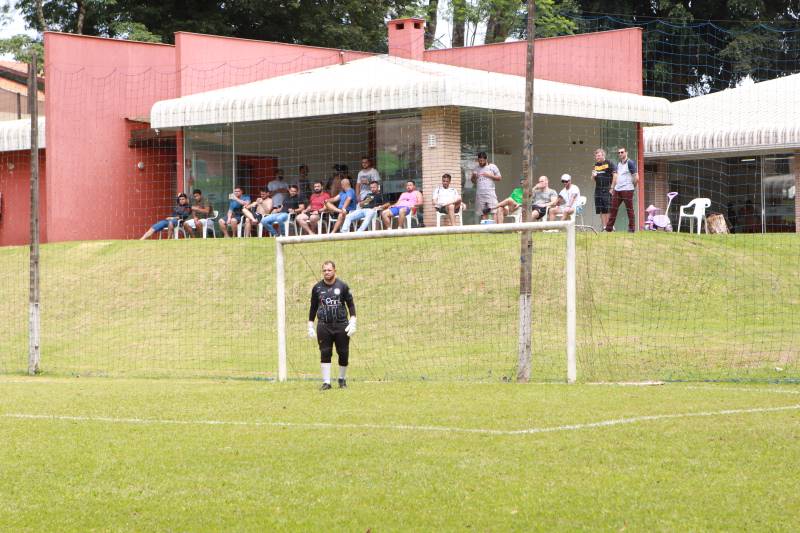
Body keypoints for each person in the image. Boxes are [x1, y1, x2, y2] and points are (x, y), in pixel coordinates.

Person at [308, 260, 356, 390]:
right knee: (325, 352)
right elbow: (313, 307)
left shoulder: (343, 286)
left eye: (329, 270)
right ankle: (326, 382)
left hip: (341, 325)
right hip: (324, 326)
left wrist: (353, 321)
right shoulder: (317, 288)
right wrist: (310, 325)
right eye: (324, 270)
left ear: (335, 270)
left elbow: (351, 305)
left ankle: (342, 379)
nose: (327, 272)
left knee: (343, 353)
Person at [605, 147, 639, 232]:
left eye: (622, 152)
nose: (620, 154)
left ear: (626, 153)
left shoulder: (630, 163)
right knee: (613, 208)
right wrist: (613, 188)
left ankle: (631, 229)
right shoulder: (619, 164)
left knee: (629, 209)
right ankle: (608, 228)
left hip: (627, 190)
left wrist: (632, 187)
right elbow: (617, 176)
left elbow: (636, 177)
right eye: (619, 152)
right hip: (618, 190)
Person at [470, 151, 502, 220]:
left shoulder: (492, 167)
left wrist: (490, 175)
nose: (481, 162)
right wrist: (473, 176)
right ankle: (484, 226)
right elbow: (473, 181)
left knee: (493, 211)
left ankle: (494, 226)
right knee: (483, 212)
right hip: (480, 194)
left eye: (482, 161)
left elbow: (499, 178)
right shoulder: (476, 168)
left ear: (486, 159)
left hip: (490, 193)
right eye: (479, 161)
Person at [591, 148, 616, 229]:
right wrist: (593, 176)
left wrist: (612, 188)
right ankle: (604, 227)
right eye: (596, 156)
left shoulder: (609, 163)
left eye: (598, 156)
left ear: (603, 155)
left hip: (607, 188)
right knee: (601, 209)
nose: (597, 157)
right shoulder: (595, 165)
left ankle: (610, 226)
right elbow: (593, 179)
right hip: (598, 189)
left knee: (608, 208)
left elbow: (615, 175)